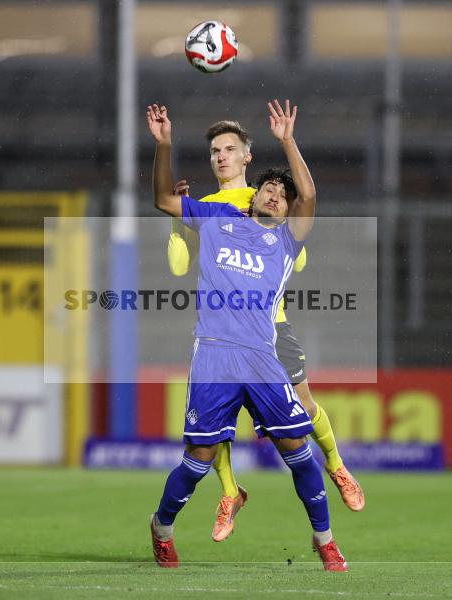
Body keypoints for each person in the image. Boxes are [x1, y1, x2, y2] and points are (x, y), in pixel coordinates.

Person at [146, 99, 348, 571]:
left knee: (298, 450)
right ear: (253, 196)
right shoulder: (217, 218)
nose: (275, 195)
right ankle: (162, 527)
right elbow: (162, 200)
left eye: (282, 193)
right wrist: (164, 145)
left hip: (262, 358)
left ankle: (326, 541)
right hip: (215, 356)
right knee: (198, 457)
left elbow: (311, 196)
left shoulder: (285, 239)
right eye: (269, 189)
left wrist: (287, 141)